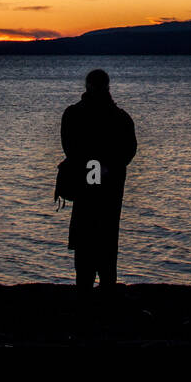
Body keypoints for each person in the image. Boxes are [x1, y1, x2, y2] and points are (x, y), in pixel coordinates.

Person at [61, 68, 137, 293]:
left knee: (85, 237)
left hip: (87, 186)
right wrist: (108, 167)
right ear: (108, 87)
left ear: (87, 86)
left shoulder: (74, 114)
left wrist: (89, 166)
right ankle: (105, 290)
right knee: (106, 237)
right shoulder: (120, 117)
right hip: (110, 188)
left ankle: (87, 290)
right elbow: (128, 151)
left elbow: (70, 147)